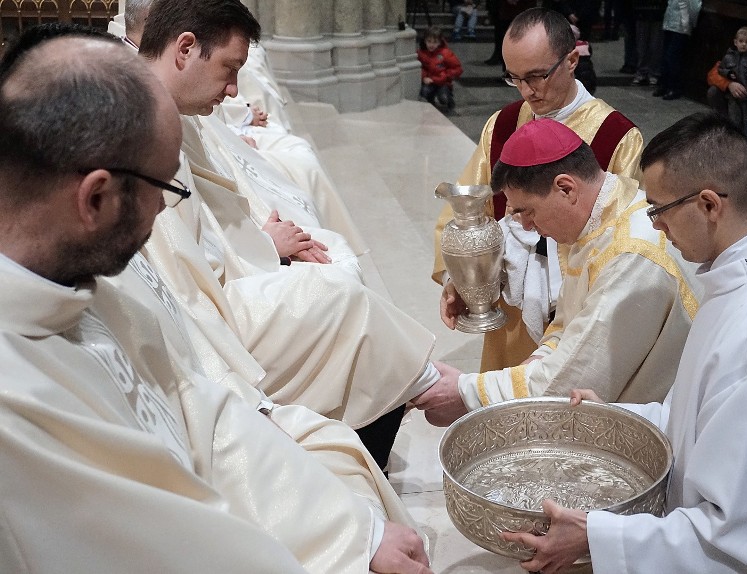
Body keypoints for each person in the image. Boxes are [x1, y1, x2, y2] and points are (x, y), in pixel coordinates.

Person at [0, 30, 432, 574]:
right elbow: (162, 546)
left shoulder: (80, 276)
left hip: (220, 482)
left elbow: (190, 399)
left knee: (338, 458)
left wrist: (354, 530)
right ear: (95, 198)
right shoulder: (15, 404)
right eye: (164, 186)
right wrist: (348, 549)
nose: (165, 209)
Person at [501, 112, 747, 574]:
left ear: (708, 204)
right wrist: (619, 417)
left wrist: (594, 535)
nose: (656, 226)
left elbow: (737, 540)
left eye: (659, 209)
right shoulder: (743, 281)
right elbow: (702, 420)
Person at [134, 0, 442, 470]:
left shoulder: (166, 106)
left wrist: (260, 242)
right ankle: (404, 411)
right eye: (229, 69)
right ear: (185, 49)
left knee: (333, 270)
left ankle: (404, 401)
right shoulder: (142, 126)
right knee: (344, 301)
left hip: (216, 285)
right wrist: (263, 249)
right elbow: (177, 277)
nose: (235, 89)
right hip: (198, 320)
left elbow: (206, 218)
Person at [415, 119, 699, 427]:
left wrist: (465, 393)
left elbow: (573, 382)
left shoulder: (630, 255)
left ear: (566, 188)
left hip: (662, 428)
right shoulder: (600, 223)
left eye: (526, 210)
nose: (523, 225)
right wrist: (538, 360)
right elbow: (568, 323)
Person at [432, 7, 644, 372]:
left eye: (537, 75)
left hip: (577, 313)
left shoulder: (616, 137)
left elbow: (624, 237)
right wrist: (462, 278)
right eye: (514, 78)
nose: (527, 90)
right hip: (509, 316)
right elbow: (466, 209)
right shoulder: (502, 125)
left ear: (573, 59)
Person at [652, 0, 701, 100]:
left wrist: (690, 24)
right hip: (669, 23)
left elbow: (695, 8)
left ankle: (674, 87)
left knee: (673, 57)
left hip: (680, 26)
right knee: (665, 56)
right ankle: (664, 84)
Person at [715, 26, 747, 131]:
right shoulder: (728, 57)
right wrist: (728, 73)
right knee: (734, 118)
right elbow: (720, 69)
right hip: (733, 95)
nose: (744, 44)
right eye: (741, 41)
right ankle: (733, 137)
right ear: (735, 42)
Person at [417, 26, 463, 112]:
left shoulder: (445, 53)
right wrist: (424, 77)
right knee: (424, 92)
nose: (431, 45)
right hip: (429, 81)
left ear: (439, 42)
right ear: (425, 41)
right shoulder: (421, 53)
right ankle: (430, 101)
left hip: (443, 82)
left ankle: (449, 101)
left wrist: (445, 75)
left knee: (443, 98)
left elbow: (458, 69)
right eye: (429, 41)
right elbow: (419, 67)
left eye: (435, 42)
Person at [630, 0, 665, 86]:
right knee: (641, 46)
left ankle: (653, 73)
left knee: (655, 46)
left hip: (657, 13)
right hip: (641, 12)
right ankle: (642, 71)